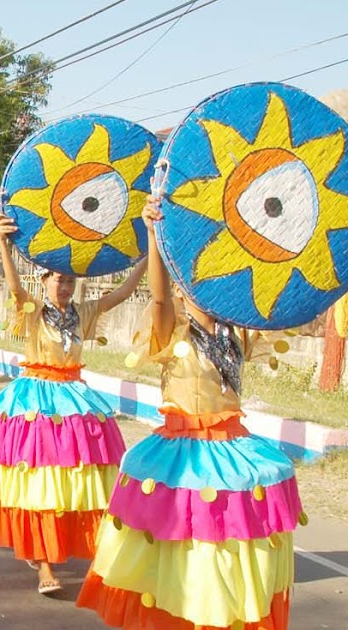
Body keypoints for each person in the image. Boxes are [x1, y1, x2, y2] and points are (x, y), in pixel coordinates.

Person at [77, 199, 301, 627]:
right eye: (193, 282)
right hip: (185, 456)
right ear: (183, 287)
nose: (206, 289)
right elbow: (158, 297)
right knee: (190, 556)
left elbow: (276, 298)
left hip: (234, 451)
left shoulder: (238, 331)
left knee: (230, 553)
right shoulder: (170, 327)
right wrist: (155, 236)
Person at [0, 213, 145, 595]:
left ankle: (73, 548)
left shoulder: (84, 313)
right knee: (42, 484)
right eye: (58, 278)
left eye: (70, 280)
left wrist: (149, 254)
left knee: (80, 482)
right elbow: (12, 286)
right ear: (43, 281)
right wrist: (5, 245)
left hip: (75, 403)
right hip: (36, 404)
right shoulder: (33, 311)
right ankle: (44, 565)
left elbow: (121, 294)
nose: (64, 285)